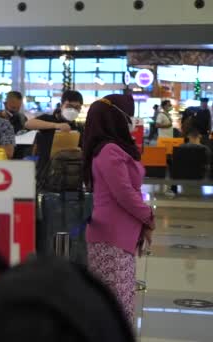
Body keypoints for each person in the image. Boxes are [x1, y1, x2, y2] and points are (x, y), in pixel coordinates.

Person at [83, 94, 155, 325]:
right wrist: (148, 216)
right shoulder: (110, 150)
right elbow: (124, 193)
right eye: (128, 113)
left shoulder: (110, 148)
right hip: (111, 236)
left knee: (117, 300)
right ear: (115, 117)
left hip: (117, 233)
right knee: (116, 304)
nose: (131, 119)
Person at [25, 90, 84, 173]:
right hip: (46, 171)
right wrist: (56, 125)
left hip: (70, 172)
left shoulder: (79, 127)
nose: (73, 110)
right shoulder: (48, 119)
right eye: (69, 106)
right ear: (61, 105)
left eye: (77, 107)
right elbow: (28, 124)